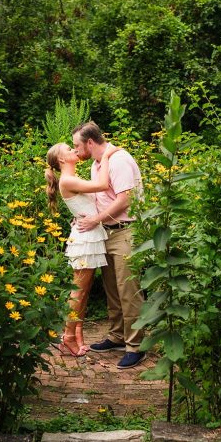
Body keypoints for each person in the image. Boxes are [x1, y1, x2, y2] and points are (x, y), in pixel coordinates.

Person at [71, 122, 145, 369]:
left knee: (129, 289)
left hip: (126, 231)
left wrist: (96, 219)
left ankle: (136, 346)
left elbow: (125, 199)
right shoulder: (96, 165)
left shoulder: (119, 160)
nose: (76, 151)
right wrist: (84, 215)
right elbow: (101, 197)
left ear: (90, 142)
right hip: (106, 232)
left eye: (77, 145)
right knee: (112, 288)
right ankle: (117, 336)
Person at [45, 142, 121, 357]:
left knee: (84, 290)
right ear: (61, 160)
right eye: (69, 150)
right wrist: (106, 156)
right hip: (85, 239)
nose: (74, 151)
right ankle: (68, 337)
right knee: (78, 289)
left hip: (90, 236)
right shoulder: (68, 180)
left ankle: (76, 334)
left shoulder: (72, 179)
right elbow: (104, 184)